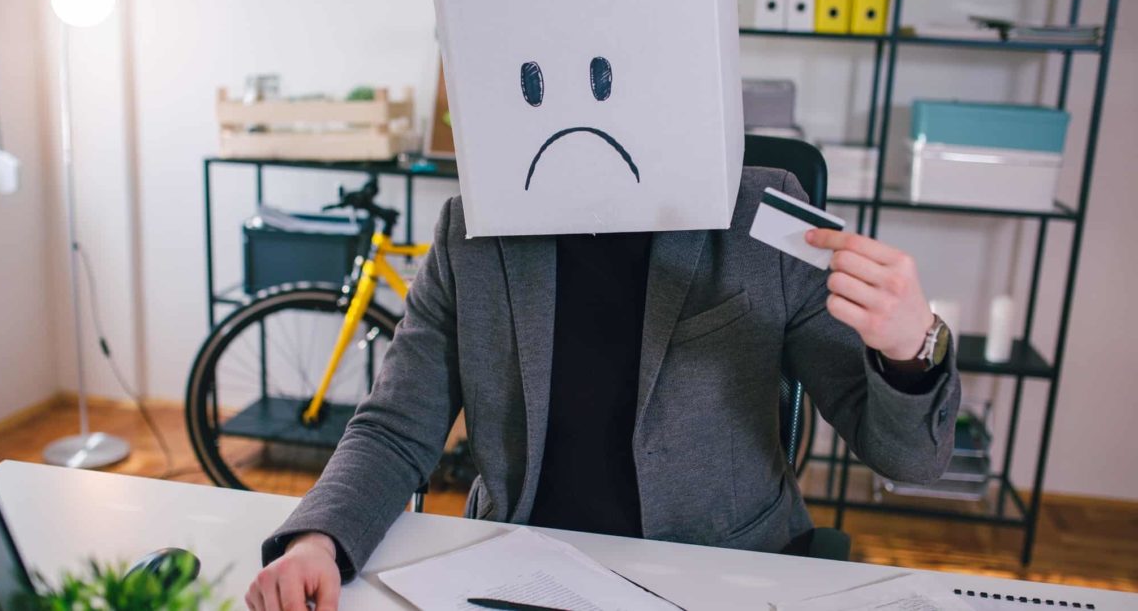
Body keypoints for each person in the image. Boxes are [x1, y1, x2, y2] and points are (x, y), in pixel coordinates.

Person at [242, 168, 960, 611]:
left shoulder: (764, 216)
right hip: (518, 568)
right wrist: (316, 541)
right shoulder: (474, 227)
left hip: (715, 574)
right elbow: (395, 428)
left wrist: (911, 347)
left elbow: (911, 460)